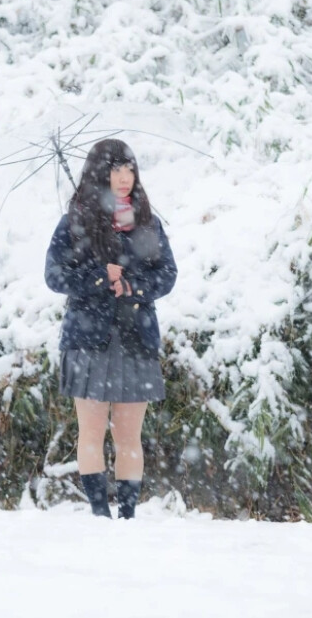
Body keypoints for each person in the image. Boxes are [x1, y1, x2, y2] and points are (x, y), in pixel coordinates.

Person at [44, 138, 177, 519]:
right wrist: (99, 277)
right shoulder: (74, 222)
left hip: (136, 336)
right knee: (92, 431)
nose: (125, 178)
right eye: (116, 169)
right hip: (88, 338)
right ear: (100, 173)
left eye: (130, 169)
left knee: (128, 435)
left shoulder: (147, 223)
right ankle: (100, 515)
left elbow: (167, 275)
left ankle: (128, 515)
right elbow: (54, 276)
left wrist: (133, 285)